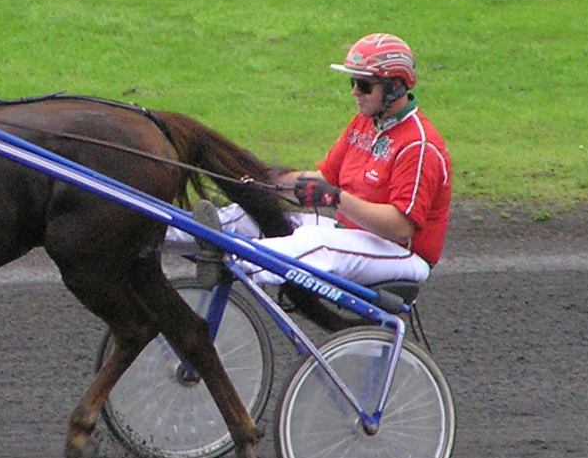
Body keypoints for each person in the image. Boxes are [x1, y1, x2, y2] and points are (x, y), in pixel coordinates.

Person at [188, 32, 452, 293]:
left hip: (402, 254)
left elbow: (400, 228)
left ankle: (231, 260)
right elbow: (322, 181)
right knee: (248, 215)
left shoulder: (419, 145)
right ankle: (173, 229)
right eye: (353, 82)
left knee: (316, 243)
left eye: (364, 85)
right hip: (352, 234)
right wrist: (259, 180)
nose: (355, 92)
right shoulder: (364, 123)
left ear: (395, 86)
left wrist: (337, 198)